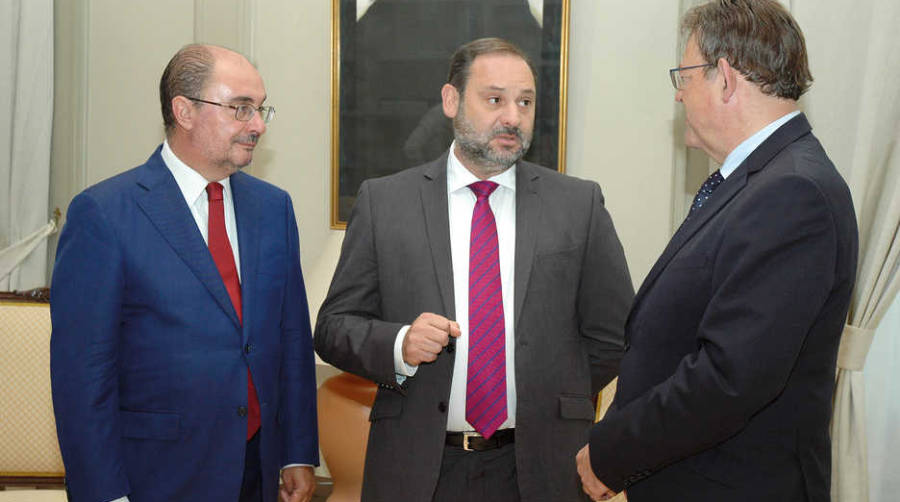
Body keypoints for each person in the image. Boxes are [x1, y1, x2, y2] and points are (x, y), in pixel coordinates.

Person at [314, 37, 634, 502]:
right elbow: (332, 328)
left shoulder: (577, 204)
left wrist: (554, 394)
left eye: (525, 102)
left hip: (543, 467)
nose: (513, 117)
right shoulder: (386, 202)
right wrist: (400, 344)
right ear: (451, 100)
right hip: (418, 465)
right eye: (495, 99)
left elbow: (615, 335)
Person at [577, 1, 859, 500]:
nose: (680, 95)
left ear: (724, 79)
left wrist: (610, 453)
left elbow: (731, 378)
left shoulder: (793, 193)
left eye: (684, 77)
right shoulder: (760, 181)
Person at [50, 44, 319, 502]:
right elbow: (82, 378)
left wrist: (296, 451)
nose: (258, 125)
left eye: (260, 108)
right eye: (241, 109)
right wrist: (104, 493)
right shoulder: (105, 214)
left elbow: (290, 337)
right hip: (154, 476)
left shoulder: (274, 208)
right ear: (185, 111)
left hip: (256, 469)